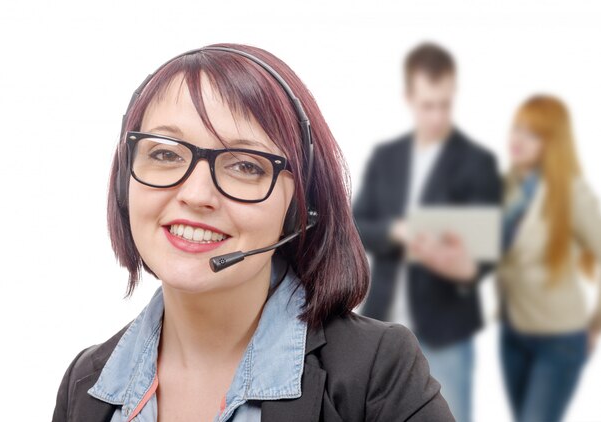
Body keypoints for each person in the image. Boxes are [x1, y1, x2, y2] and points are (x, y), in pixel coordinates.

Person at [51, 44, 454, 422]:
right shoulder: (86, 385)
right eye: (166, 154)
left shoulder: (375, 371)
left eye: (245, 165)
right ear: (126, 179)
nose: (196, 194)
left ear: (299, 207)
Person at [353, 42, 502, 422]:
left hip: (446, 331)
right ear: (410, 98)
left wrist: (459, 263)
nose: (436, 115)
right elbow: (357, 226)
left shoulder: (477, 163)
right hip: (383, 325)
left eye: (444, 104)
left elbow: (485, 253)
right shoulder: (387, 159)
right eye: (427, 105)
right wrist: (397, 232)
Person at [498, 94, 601, 422]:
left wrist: (595, 325)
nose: (517, 139)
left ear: (553, 143)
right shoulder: (506, 188)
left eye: (532, 133)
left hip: (558, 340)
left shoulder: (572, 193)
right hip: (514, 334)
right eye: (517, 128)